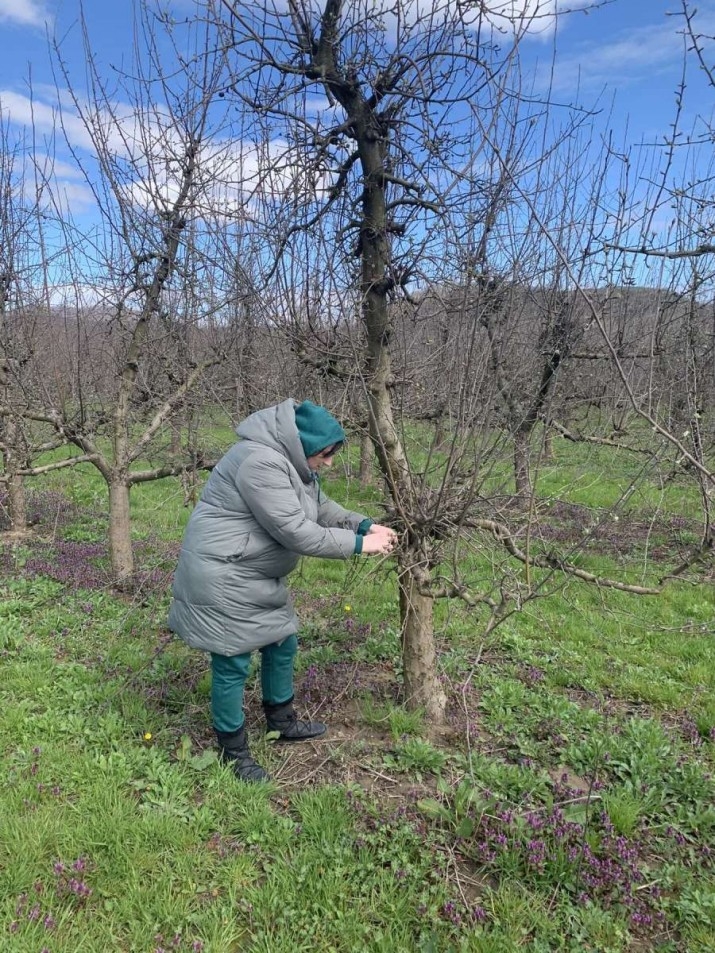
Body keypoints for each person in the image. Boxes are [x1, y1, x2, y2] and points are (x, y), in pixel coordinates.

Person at [168, 398, 398, 782]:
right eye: (325, 455)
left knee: (282, 642)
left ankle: (281, 722)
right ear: (303, 444)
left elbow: (322, 510)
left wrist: (364, 526)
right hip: (225, 572)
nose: (329, 463)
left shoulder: (294, 465)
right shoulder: (261, 462)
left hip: (252, 571)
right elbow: (295, 531)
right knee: (232, 659)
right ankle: (233, 749)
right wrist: (359, 547)